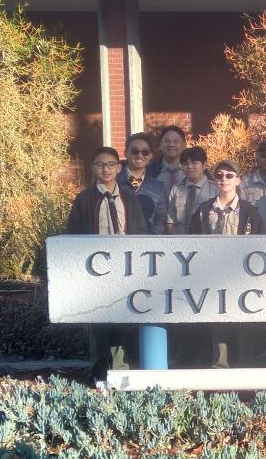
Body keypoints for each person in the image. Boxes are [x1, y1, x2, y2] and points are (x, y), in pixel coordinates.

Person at [67, 146, 147, 381]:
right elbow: (74, 234)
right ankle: (100, 371)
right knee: (99, 321)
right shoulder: (84, 200)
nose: (106, 169)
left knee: (124, 319)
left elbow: (141, 232)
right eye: (100, 165)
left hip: (125, 268)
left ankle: (122, 370)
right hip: (96, 271)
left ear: (119, 168)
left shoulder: (129, 199)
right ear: (93, 168)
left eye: (111, 164)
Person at [189, 160, 264, 368]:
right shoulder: (203, 210)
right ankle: (219, 363)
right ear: (215, 180)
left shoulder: (250, 212)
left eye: (229, 176)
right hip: (213, 274)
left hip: (242, 275)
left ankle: (245, 364)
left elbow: (260, 243)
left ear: (238, 180)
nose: (224, 179)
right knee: (218, 319)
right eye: (220, 175)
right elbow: (192, 241)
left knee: (244, 318)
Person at [116, 132, 167, 233]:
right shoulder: (114, 181)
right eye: (135, 151)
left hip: (146, 244)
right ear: (126, 153)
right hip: (117, 243)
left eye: (145, 152)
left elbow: (160, 220)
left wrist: (150, 240)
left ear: (151, 155)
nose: (140, 155)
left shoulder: (158, 188)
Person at [166, 147, 217, 234]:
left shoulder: (215, 189)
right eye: (185, 164)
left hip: (207, 242)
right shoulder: (176, 190)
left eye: (194, 163)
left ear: (204, 165)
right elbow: (170, 221)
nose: (190, 167)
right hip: (180, 242)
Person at [147, 125, 187, 191]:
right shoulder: (149, 171)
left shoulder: (197, 170)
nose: (171, 145)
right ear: (160, 145)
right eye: (167, 141)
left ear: (184, 145)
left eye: (176, 141)